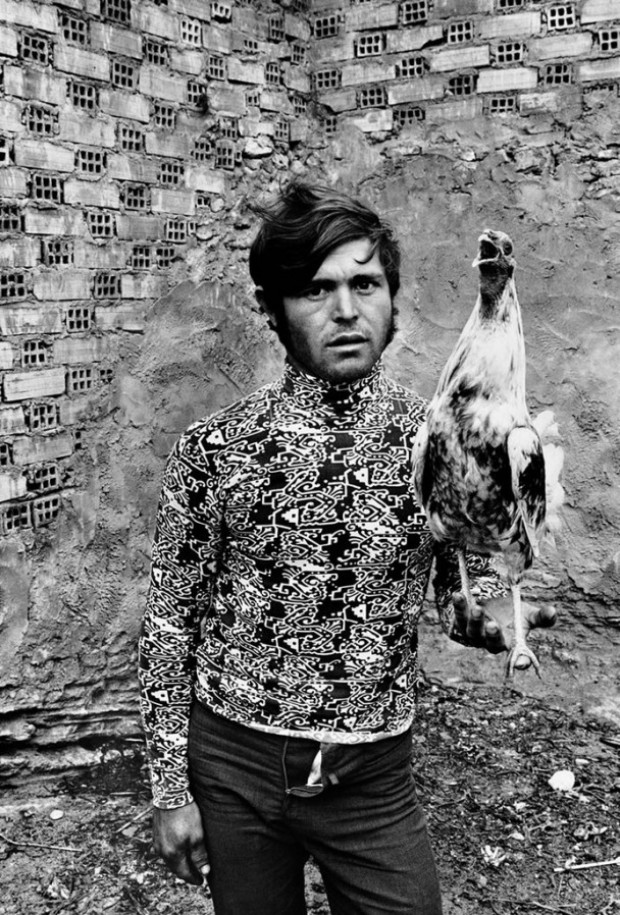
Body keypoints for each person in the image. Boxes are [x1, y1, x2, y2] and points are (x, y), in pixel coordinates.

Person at [138, 182, 556, 915]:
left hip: (372, 777)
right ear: (272, 308)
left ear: (392, 301)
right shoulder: (215, 449)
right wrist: (171, 792)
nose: (345, 310)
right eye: (315, 289)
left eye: (365, 284)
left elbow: (456, 586)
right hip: (235, 767)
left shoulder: (435, 440)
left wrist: (487, 617)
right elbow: (171, 625)